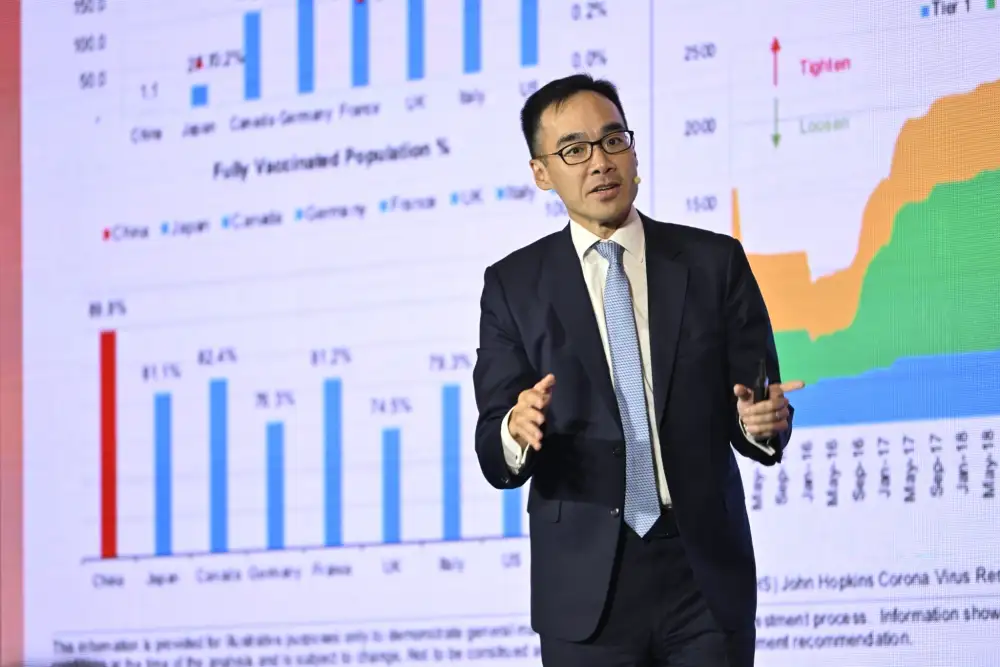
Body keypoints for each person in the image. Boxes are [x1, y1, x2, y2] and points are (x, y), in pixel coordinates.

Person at [472, 74, 805, 666]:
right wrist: (514, 431)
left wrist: (760, 423)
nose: (600, 162)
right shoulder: (513, 286)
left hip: (703, 576)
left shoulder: (712, 262)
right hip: (584, 585)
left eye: (613, 140)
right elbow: (492, 442)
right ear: (542, 173)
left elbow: (755, 402)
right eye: (574, 150)